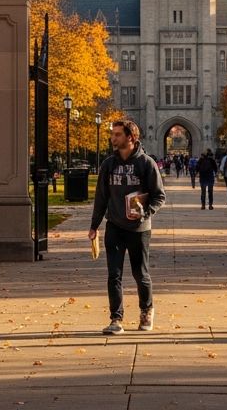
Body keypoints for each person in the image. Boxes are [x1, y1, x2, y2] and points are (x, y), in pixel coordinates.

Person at [88, 118, 166, 335]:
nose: (113, 138)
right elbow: (101, 197)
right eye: (113, 134)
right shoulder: (108, 165)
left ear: (130, 137)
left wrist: (145, 212)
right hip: (114, 226)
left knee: (140, 273)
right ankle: (116, 318)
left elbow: (159, 196)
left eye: (117, 134)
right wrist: (94, 225)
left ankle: (146, 310)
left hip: (139, 229)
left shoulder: (146, 163)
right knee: (114, 274)